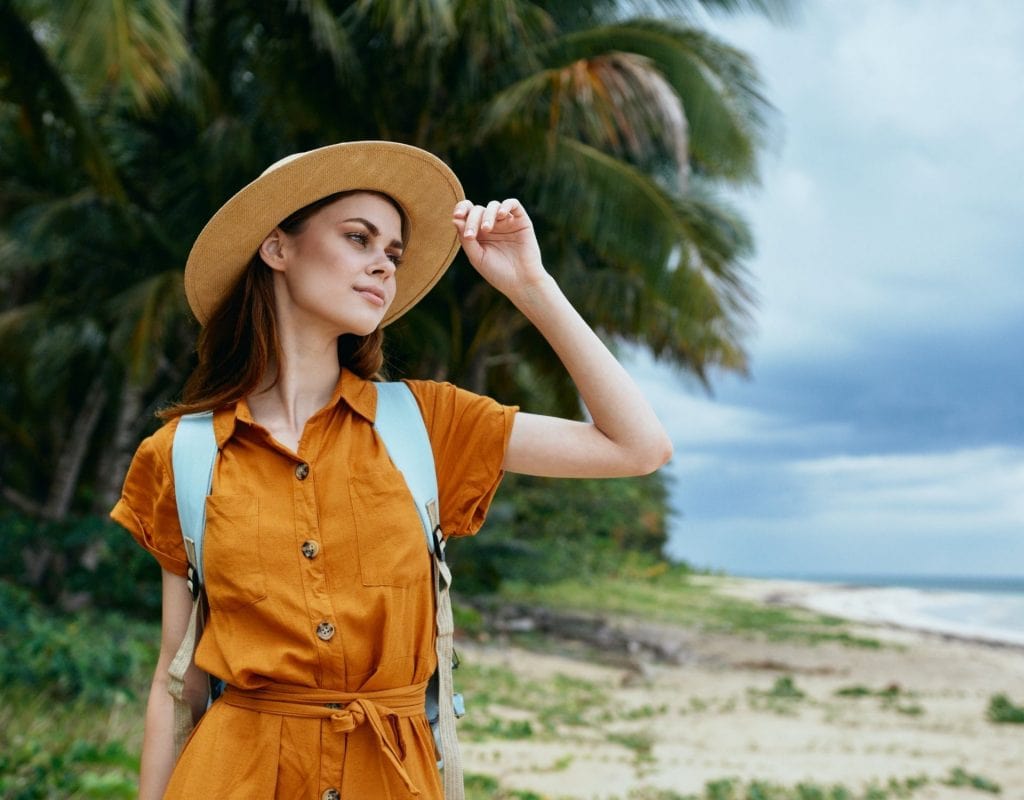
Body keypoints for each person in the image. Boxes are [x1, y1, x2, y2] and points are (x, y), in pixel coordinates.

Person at [111, 140, 672, 799]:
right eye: (359, 238)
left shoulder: (427, 425)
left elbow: (637, 446)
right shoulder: (182, 454)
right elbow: (177, 684)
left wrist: (530, 284)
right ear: (277, 248)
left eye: (394, 254)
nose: (383, 265)